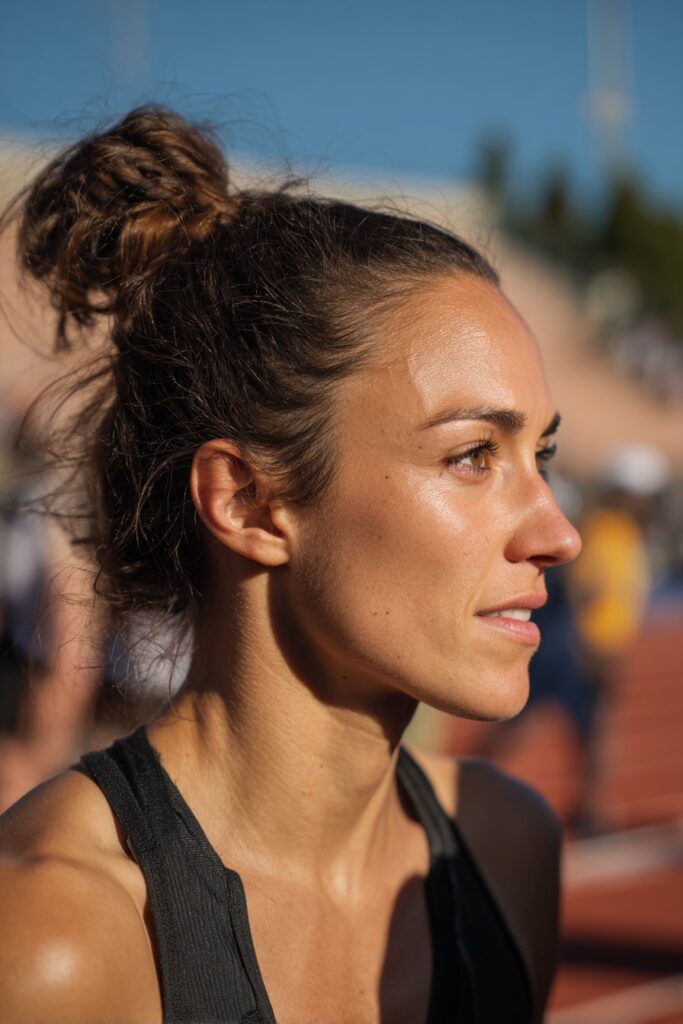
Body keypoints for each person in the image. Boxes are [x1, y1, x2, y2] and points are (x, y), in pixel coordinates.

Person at [0, 107, 581, 1024]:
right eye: (472, 455)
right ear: (247, 502)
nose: (558, 533)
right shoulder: (51, 943)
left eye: (538, 458)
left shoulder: (505, 851)